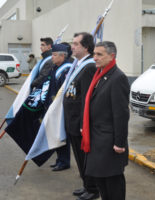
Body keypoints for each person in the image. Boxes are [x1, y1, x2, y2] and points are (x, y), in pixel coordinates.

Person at [82, 41, 130, 200]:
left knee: (112, 184)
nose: (94, 58)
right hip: (97, 139)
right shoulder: (100, 75)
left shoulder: (117, 78)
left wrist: (120, 142)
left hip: (109, 143)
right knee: (101, 182)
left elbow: (121, 114)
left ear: (112, 56)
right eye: (94, 54)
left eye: (99, 54)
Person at [63, 32, 99, 200]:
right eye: (73, 43)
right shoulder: (78, 64)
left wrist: (83, 124)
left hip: (79, 121)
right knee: (78, 156)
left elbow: (86, 98)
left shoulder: (90, 66)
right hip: (72, 120)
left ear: (86, 47)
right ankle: (86, 185)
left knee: (85, 157)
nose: (72, 46)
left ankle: (92, 189)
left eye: (76, 44)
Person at [46, 43, 73, 171]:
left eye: (54, 55)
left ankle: (64, 161)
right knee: (56, 135)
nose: (52, 57)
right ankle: (59, 159)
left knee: (62, 135)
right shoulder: (56, 67)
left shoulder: (66, 69)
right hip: (54, 107)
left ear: (62, 56)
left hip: (61, 109)